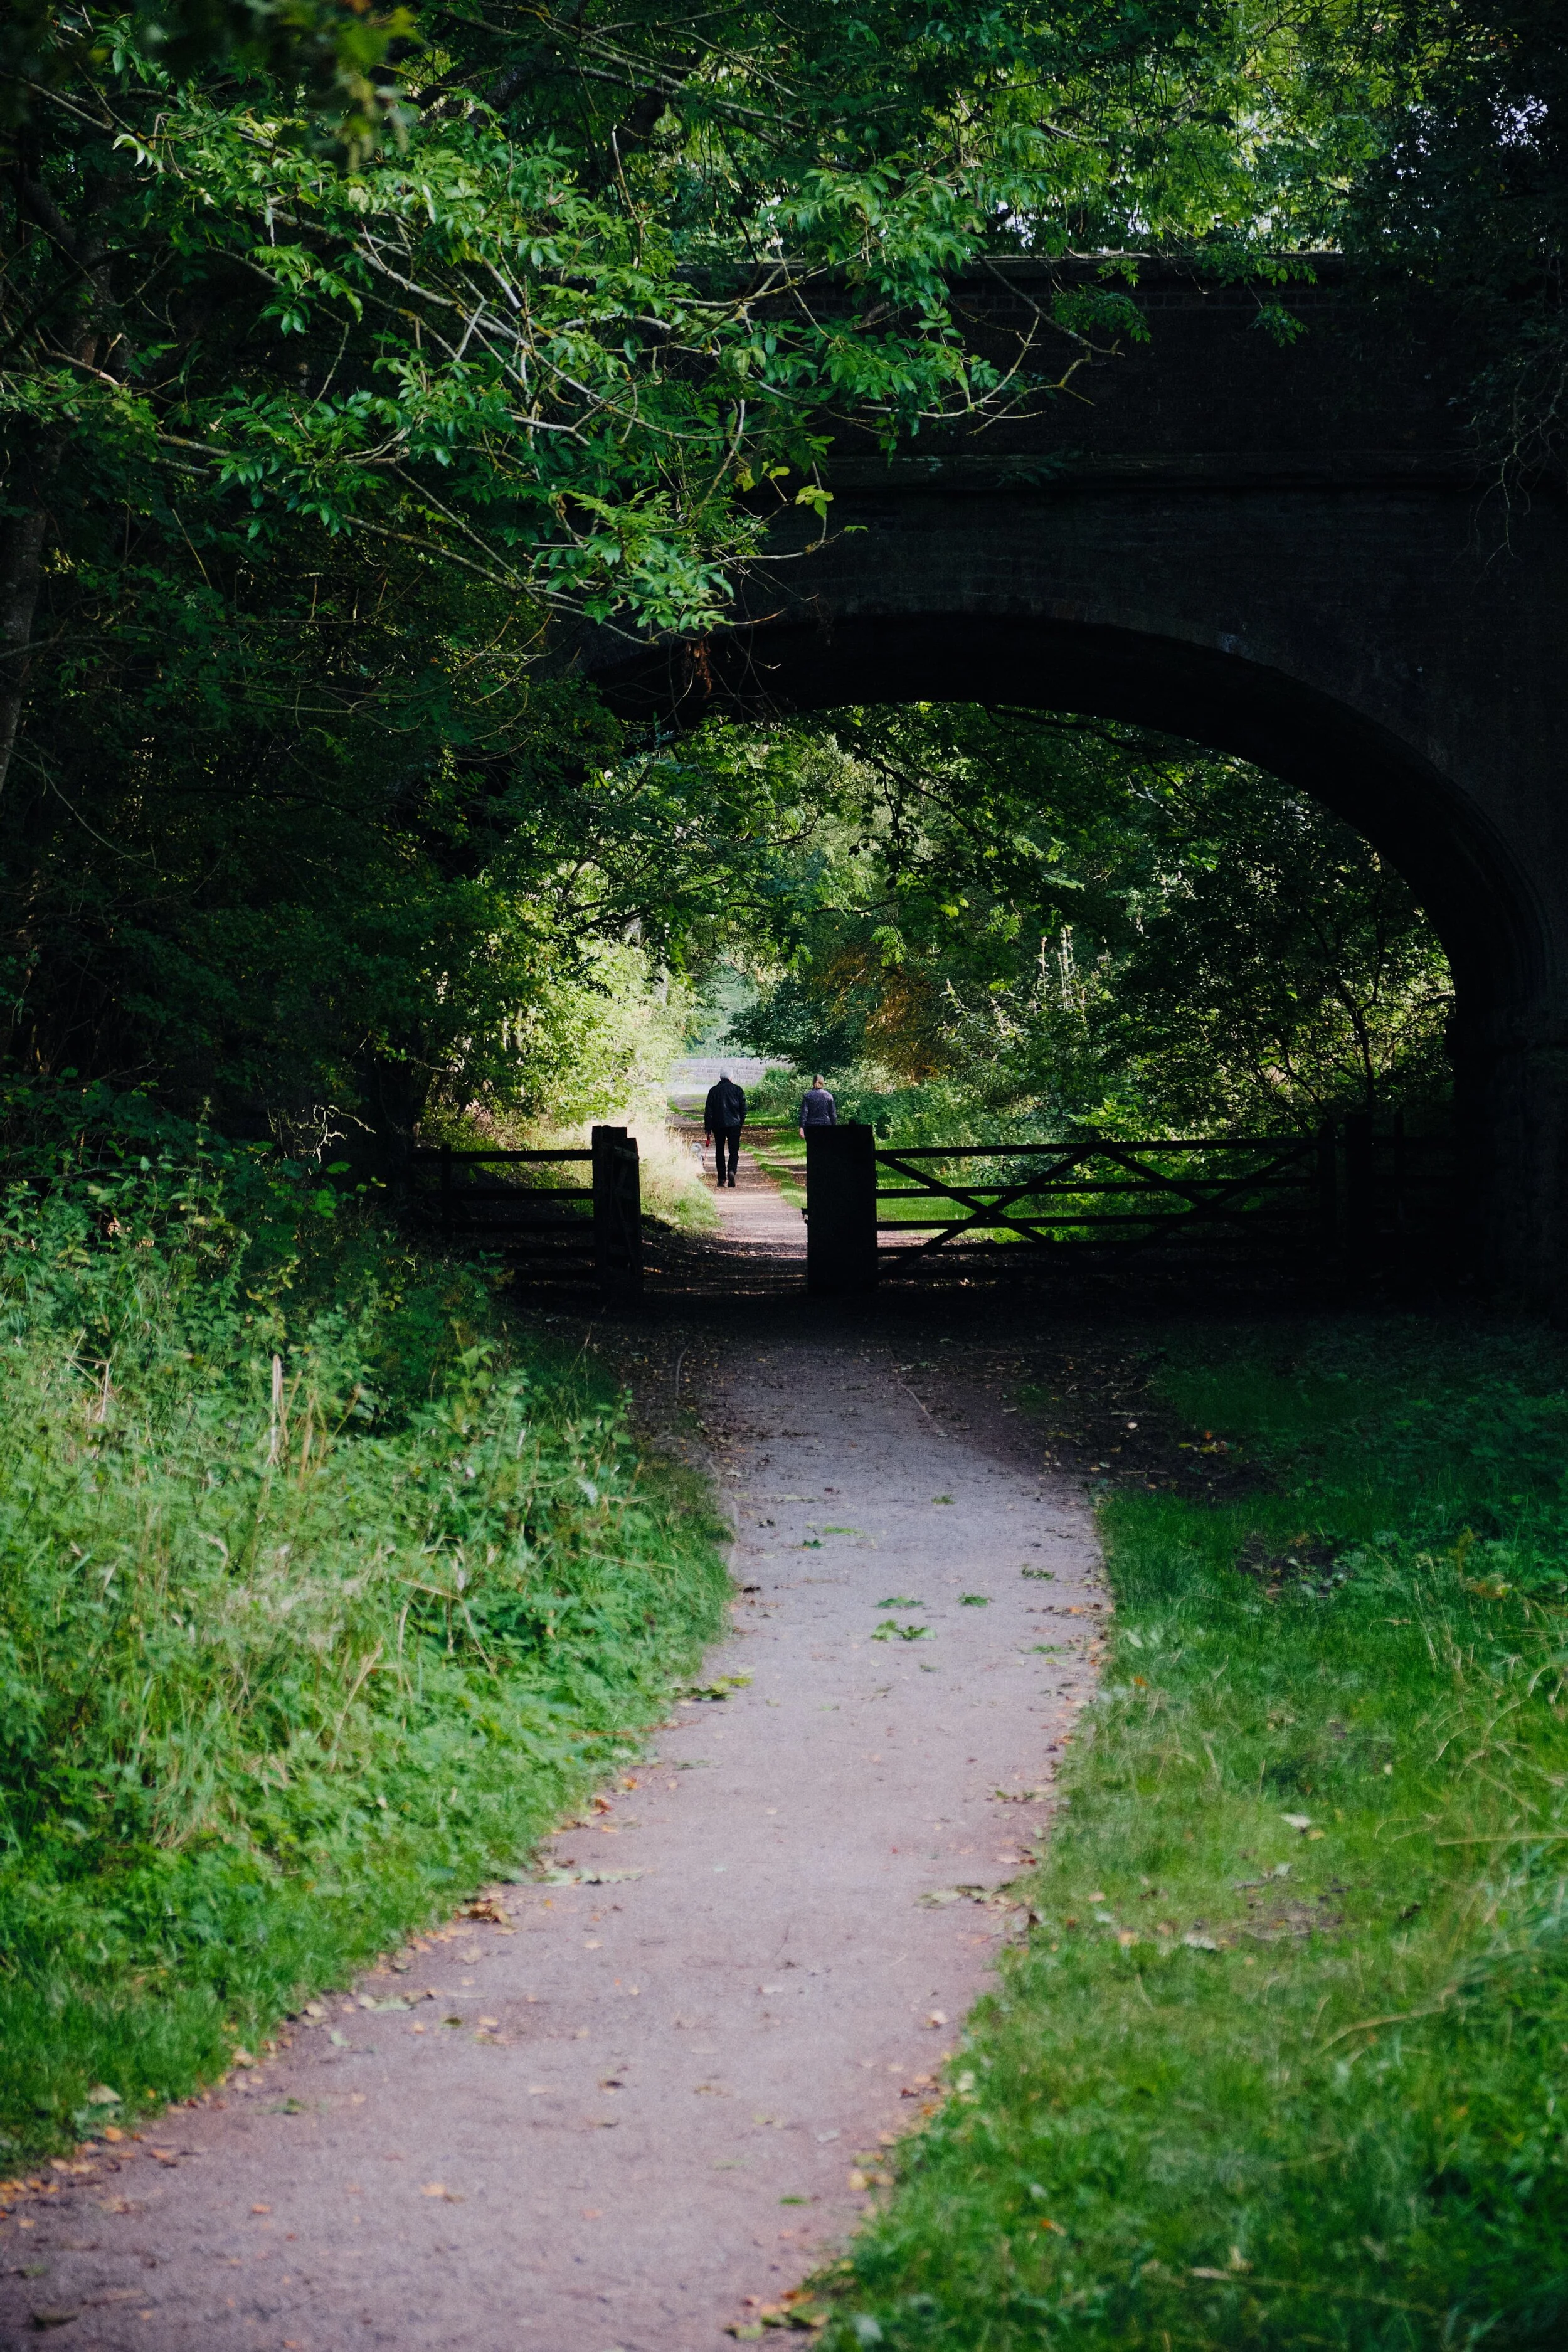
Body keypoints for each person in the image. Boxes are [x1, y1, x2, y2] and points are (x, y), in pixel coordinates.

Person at [703, 1069, 747, 1188]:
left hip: (718, 1125)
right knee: (734, 1151)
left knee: (719, 1151)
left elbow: (709, 1111)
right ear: (731, 1078)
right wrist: (740, 1123)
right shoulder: (738, 1090)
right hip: (734, 1125)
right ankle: (732, 1171)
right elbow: (743, 1109)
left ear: (720, 1078)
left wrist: (708, 1128)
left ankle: (721, 1179)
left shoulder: (714, 1091)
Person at [798, 1074, 837, 1138]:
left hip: (810, 1127)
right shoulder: (828, 1096)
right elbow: (833, 1114)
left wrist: (802, 1127)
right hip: (826, 1125)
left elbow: (804, 1113)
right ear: (823, 1083)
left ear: (813, 1083)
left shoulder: (807, 1096)